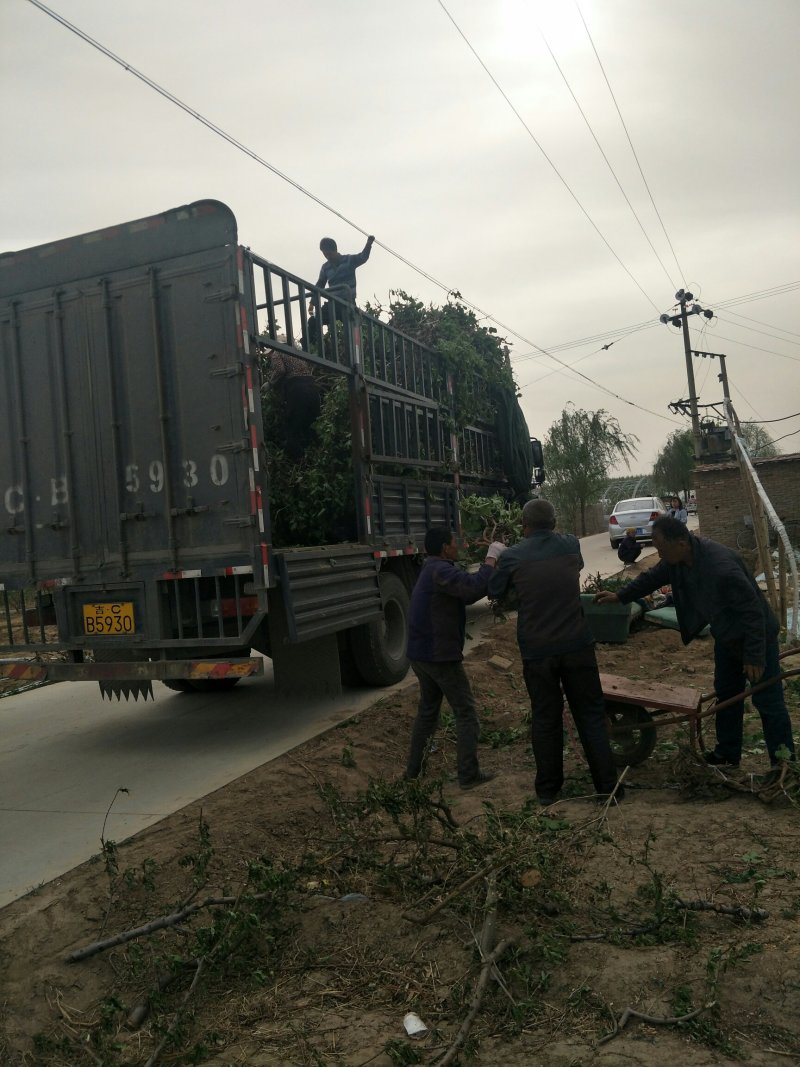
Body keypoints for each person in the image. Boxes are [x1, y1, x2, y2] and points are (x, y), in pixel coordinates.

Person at [595, 516, 794, 774]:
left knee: (768, 703)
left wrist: (754, 656)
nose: (660, 554)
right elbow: (652, 577)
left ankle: (784, 766)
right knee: (727, 695)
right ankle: (727, 755)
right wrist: (621, 596)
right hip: (726, 637)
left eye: (662, 548)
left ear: (681, 542)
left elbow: (753, 613)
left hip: (755, 639)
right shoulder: (677, 559)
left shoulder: (721, 567)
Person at [487, 499, 622, 806]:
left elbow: (494, 591)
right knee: (589, 715)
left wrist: (494, 556)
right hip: (577, 645)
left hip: (538, 651)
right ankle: (608, 789)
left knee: (546, 719)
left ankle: (548, 791)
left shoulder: (512, 556)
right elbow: (576, 566)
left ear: (524, 525)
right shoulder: (570, 545)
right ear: (554, 523)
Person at [405, 528, 506, 790]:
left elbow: (464, 583)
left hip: (420, 654)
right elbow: (472, 589)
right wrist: (492, 557)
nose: (457, 546)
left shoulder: (433, 569)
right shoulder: (440, 570)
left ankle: (413, 773)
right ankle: (468, 775)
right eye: (453, 543)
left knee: (428, 712)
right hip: (438, 656)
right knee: (466, 712)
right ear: (443, 548)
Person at [308, 235, 374, 341]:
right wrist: (312, 302)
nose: (327, 257)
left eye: (329, 254)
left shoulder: (348, 260)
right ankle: (311, 346)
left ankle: (354, 347)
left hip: (347, 302)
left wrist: (369, 244)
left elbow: (363, 257)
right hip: (333, 303)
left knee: (352, 330)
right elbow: (320, 284)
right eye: (325, 254)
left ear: (334, 250)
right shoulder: (325, 267)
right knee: (313, 321)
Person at [266, 350, 321, 460]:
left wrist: (270, 383)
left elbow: (280, 370)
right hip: (313, 390)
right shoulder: (297, 353)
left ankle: (299, 461)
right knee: (311, 427)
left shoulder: (278, 352)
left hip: (298, 391)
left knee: (292, 429)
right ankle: (317, 457)